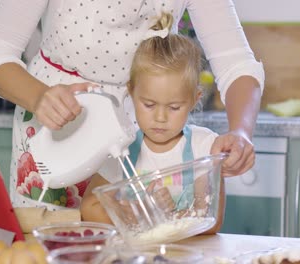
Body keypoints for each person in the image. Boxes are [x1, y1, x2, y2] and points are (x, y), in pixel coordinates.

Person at [0, 0, 264, 211]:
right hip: (55, 123)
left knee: (137, 238)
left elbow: (236, 63)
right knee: (47, 242)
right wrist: (39, 96)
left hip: (140, 131)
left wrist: (241, 132)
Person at [81, 12, 224, 233]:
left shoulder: (202, 146)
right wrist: (131, 213)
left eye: (174, 107)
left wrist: (161, 217)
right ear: (131, 92)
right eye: (149, 104)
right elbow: (89, 208)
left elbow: (208, 218)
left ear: (195, 99)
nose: (160, 117)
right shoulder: (123, 149)